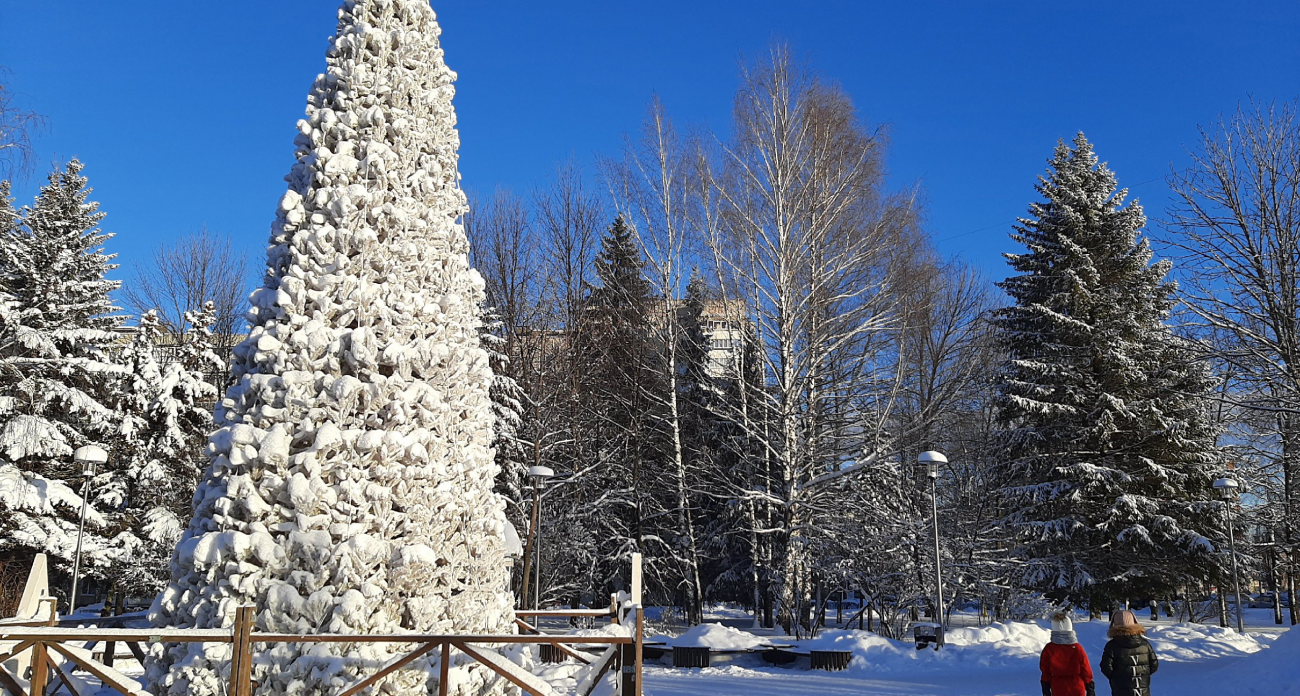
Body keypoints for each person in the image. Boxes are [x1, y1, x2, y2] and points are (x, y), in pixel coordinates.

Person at [1101, 609, 1160, 696]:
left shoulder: (1112, 645)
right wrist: (1143, 674)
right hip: (1141, 690)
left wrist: (1116, 678)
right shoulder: (1145, 644)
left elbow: (1105, 666)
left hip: (1121, 690)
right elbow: (1154, 664)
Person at [1040, 610, 1096, 696]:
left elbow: (1045, 671)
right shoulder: (1077, 648)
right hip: (1076, 685)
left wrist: (1046, 689)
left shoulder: (1049, 648)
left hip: (1058, 686)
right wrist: (1090, 687)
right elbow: (1085, 669)